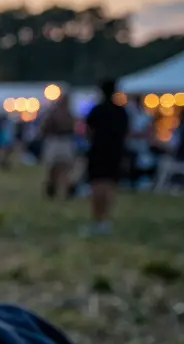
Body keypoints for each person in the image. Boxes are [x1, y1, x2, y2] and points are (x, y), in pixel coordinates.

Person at [84, 80, 131, 235]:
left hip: (98, 152)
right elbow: (126, 133)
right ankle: (105, 220)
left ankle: (97, 218)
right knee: (110, 186)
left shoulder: (96, 110)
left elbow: (88, 131)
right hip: (115, 152)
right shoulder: (121, 112)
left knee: (97, 186)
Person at [40, 93, 78, 199]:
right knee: (54, 168)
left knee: (65, 168)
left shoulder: (67, 114)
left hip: (63, 141)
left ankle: (65, 189)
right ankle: (54, 188)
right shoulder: (55, 114)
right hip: (56, 141)